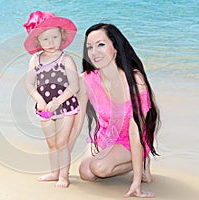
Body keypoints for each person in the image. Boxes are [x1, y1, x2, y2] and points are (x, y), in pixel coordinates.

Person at [74, 23, 161, 197]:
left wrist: (137, 182)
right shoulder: (87, 80)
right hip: (105, 134)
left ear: (115, 48)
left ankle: (142, 161)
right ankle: (121, 162)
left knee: (100, 168)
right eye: (89, 47)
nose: (94, 52)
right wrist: (60, 168)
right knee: (86, 173)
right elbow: (77, 120)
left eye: (101, 44)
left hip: (130, 138)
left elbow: (136, 130)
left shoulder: (135, 80)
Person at [23, 10, 80, 188]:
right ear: (37, 41)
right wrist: (39, 100)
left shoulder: (66, 59)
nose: (51, 42)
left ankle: (64, 176)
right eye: (45, 39)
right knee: (51, 143)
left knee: (62, 142)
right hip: (45, 107)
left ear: (62, 36)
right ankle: (54, 172)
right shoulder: (35, 60)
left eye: (55, 37)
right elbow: (30, 84)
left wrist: (59, 101)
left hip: (65, 106)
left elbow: (74, 86)